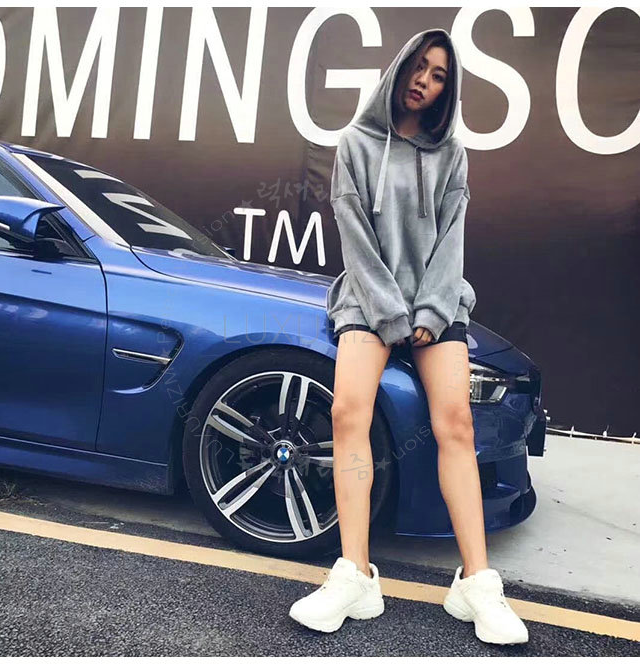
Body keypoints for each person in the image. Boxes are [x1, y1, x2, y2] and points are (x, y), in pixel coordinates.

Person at [289, 29, 529, 645]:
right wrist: (393, 316)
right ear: (399, 67)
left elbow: (452, 239)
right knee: (348, 413)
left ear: (448, 88)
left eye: (439, 74)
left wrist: (431, 309)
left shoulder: (452, 154)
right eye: (419, 66)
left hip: (437, 301)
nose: (425, 80)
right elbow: (355, 235)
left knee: (456, 423)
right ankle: (355, 575)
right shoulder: (355, 143)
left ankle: (477, 584)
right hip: (369, 301)